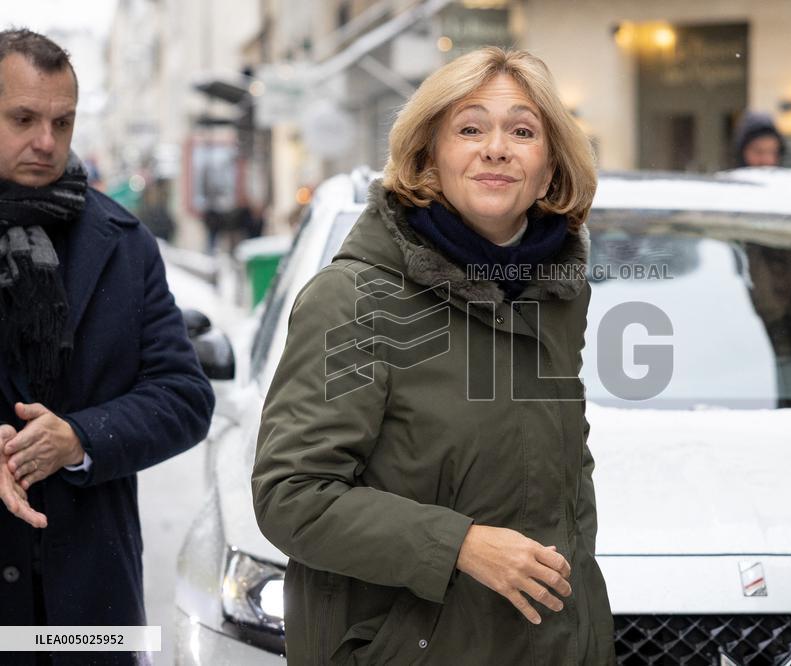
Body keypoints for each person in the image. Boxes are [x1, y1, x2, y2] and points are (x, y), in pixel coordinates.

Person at [252, 47, 615, 665]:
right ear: (427, 158)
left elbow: (565, 476)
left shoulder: (557, 293)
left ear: (550, 165)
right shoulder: (355, 299)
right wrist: (460, 546)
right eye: (470, 129)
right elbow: (293, 495)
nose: (496, 148)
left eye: (523, 131)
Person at [0, 29, 214, 665]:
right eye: (23, 118)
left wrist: (80, 439)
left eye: (62, 122)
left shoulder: (124, 243)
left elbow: (184, 397)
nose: (46, 141)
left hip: (92, 605)